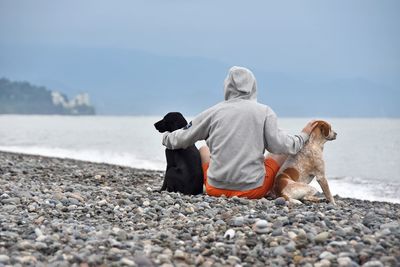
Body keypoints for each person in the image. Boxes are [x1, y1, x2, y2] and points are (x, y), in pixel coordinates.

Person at [162, 66, 316, 199]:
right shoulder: (264, 112)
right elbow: (285, 146)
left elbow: (181, 138)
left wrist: (167, 137)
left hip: (214, 189)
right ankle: (279, 188)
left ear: (227, 86)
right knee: (281, 150)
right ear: (253, 86)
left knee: (204, 149)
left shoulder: (213, 111)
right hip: (253, 191)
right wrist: (303, 135)